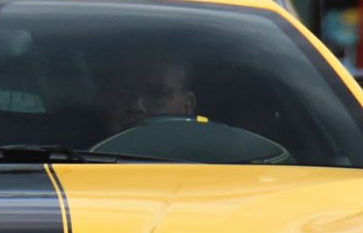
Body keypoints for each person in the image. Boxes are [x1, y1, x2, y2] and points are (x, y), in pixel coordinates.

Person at [92, 48, 290, 164]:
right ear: (101, 98)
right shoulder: (65, 157)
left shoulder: (233, 169)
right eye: (121, 92)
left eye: (157, 94)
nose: (137, 106)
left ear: (188, 105)